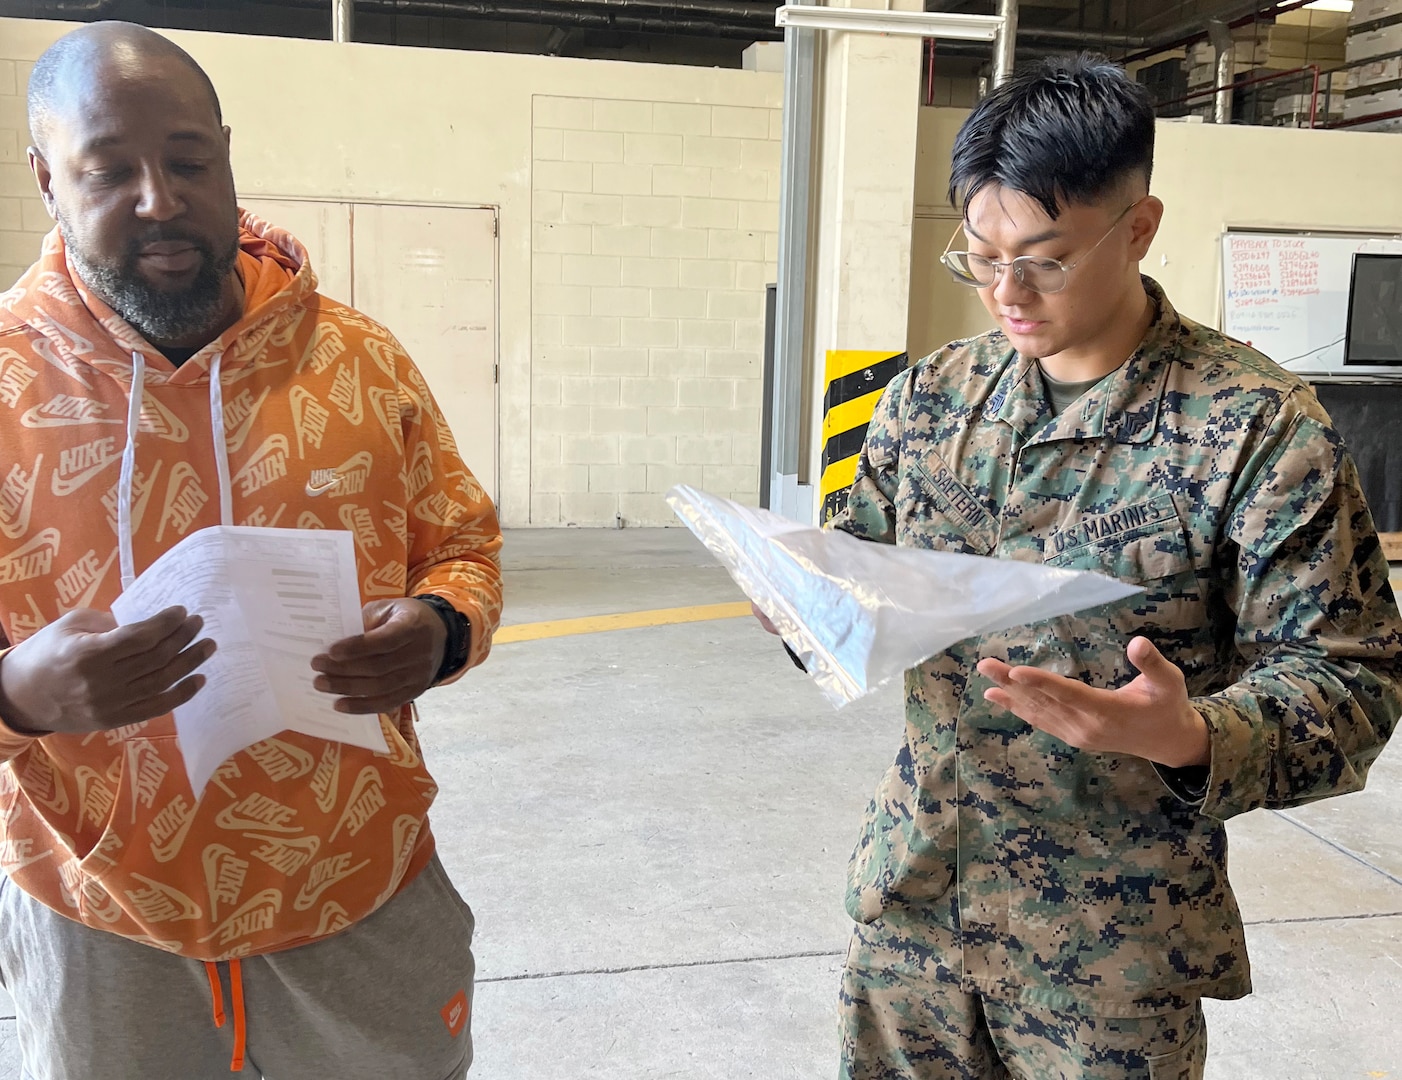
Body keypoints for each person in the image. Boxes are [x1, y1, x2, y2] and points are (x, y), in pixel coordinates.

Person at [761, 55, 1402, 1079]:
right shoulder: (931, 400)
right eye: (978, 255)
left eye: (1044, 259)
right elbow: (859, 580)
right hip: (915, 911)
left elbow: (1354, 680)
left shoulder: (1255, 430)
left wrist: (1193, 733)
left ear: (1138, 228)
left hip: (1110, 956)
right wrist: (804, 606)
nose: (1005, 293)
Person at [0, 22, 502, 1080]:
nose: (159, 199)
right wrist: (18, 694)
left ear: (226, 153)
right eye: (108, 170)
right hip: (101, 914)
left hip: (359, 881)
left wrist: (441, 629)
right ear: (48, 180)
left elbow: (459, 543)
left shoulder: (359, 360)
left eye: (187, 161)